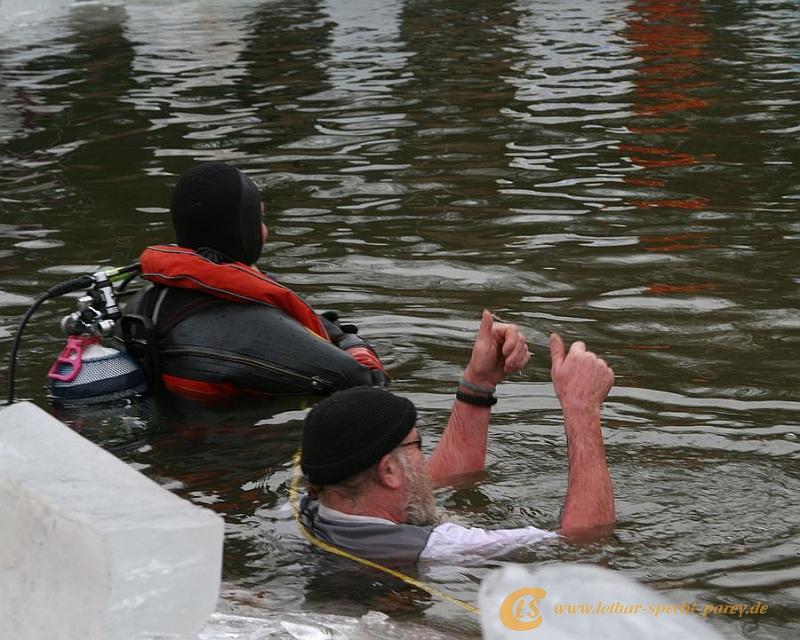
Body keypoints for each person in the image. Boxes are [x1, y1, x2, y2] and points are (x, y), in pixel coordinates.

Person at [299, 310, 615, 561]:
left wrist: (478, 383)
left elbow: (440, 481)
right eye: (417, 446)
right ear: (389, 471)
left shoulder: (309, 508)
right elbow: (581, 542)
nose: (424, 462)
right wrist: (582, 409)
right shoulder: (438, 548)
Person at [121, 162, 388, 399]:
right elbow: (366, 383)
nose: (265, 230)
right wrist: (354, 344)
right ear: (242, 229)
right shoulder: (252, 328)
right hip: (241, 448)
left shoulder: (142, 302)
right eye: (258, 218)